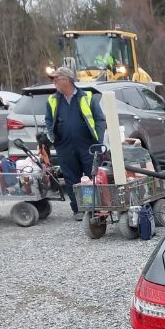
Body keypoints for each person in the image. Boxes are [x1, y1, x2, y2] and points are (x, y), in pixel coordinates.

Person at [44, 66, 106, 220]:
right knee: (71, 178)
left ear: (66, 80)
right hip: (65, 146)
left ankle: (94, 207)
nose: (55, 84)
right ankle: (78, 209)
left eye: (56, 80)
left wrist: (98, 140)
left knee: (92, 177)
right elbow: (48, 121)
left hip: (87, 144)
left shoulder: (87, 97)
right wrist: (52, 138)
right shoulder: (52, 100)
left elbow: (100, 119)